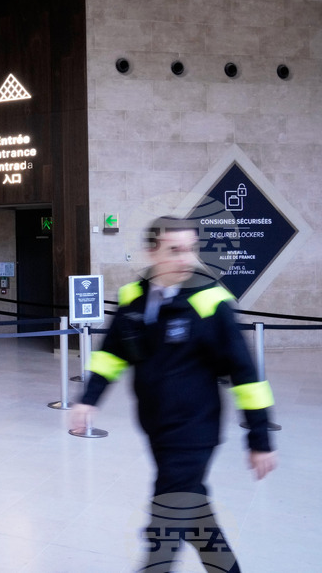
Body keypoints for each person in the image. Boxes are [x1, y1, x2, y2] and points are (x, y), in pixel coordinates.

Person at [70, 216, 277, 573]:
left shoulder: (211, 302)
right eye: (175, 250)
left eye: (191, 250)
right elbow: (112, 353)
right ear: (152, 252)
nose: (187, 260)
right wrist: (89, 397)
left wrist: (259, 436)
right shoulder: (134, 299)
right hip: (157, 428)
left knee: (163, 529)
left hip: (194, 432)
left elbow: (245, 374)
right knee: (194, 510)